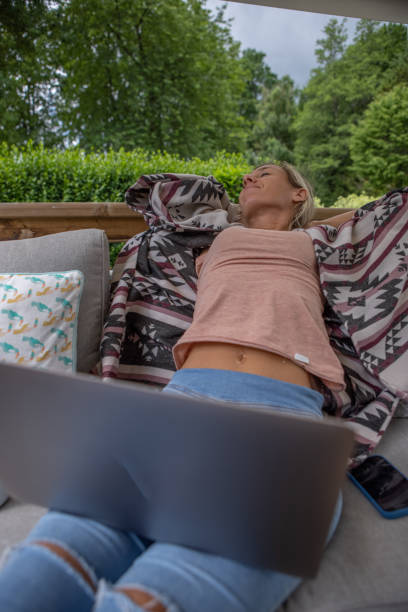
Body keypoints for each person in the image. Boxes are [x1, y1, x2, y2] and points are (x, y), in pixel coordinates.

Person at [0, 162, 355, 612]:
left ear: (300, 194)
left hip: (281, 416)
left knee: (155, 600)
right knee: (46, 565)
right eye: (246, 175)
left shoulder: (319, 241)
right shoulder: (212, 236)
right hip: (181, 405)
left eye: (263, 172)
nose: (248, 177)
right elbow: (166, 194)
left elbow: (389, 214)